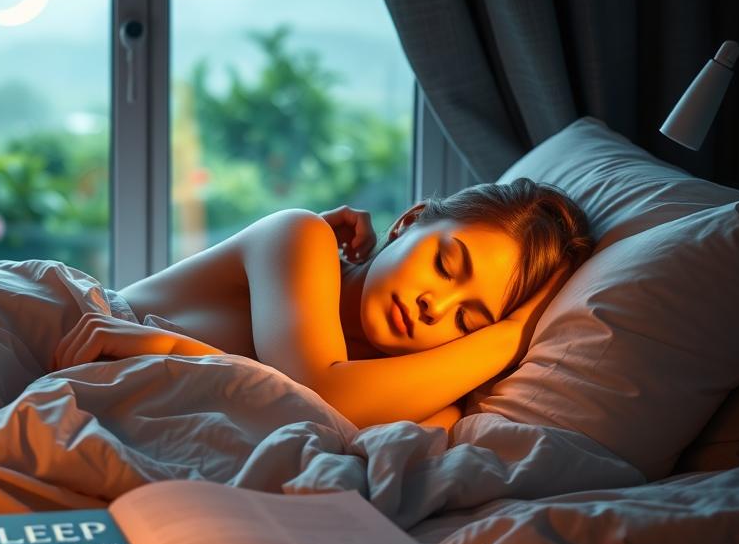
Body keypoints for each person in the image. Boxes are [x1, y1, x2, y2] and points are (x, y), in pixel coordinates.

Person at [51, 178, 593, 430]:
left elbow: (412, 434)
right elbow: (322, 395)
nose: (435, 304)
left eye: (466, 320)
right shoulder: (303, 237)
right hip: (43, 329)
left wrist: (178, 349)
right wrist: (506, 337)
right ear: (408, 222)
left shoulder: (415, 393)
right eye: (446, 265)